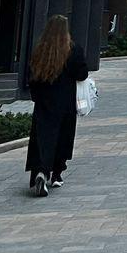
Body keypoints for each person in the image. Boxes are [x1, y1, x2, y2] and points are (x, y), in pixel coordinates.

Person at [25, 15, 89, 198]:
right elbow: (82, 74)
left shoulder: (40, 50)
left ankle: (41, 171)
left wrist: (36, 97)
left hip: (44, 103)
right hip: (65, 102)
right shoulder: (73, 50)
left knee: (43, 137)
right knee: (63, 137)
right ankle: (57, 174)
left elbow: (32, 78)